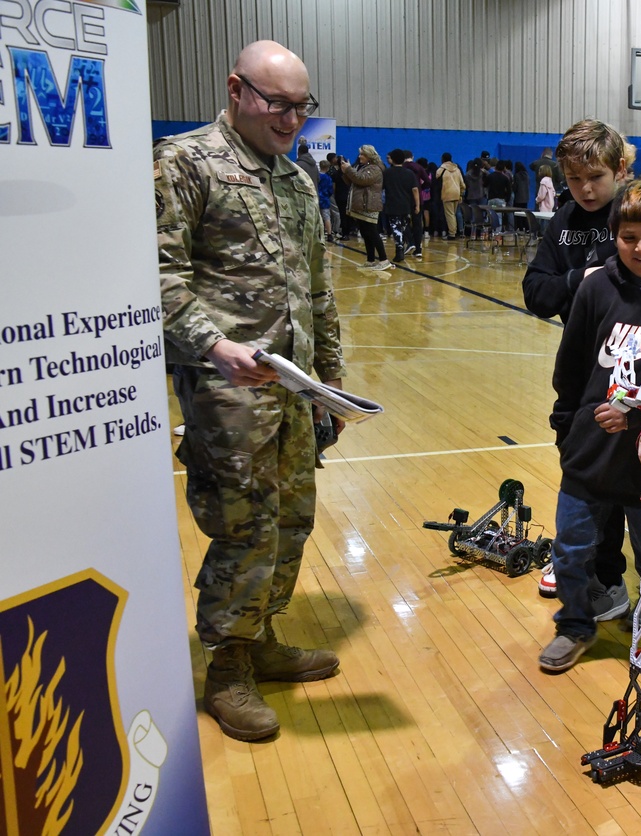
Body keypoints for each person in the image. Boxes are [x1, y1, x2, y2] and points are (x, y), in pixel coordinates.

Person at [155, 39, 343, 742]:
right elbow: (159, 275)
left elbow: (318, 290)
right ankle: (226, 668)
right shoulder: (185, 162)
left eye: (302, 106)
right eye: (277, 103)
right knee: (244, 529)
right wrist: (215, 345)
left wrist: (332, 383)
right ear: (236, 89)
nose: (292, 119)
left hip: (294, 392)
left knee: (292, 520)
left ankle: (261, 638)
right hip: (225, 395)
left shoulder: (295, 181)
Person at [540, 180, 641, 672]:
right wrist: (568, 431)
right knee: (569, 553)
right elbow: (569, 370)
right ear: (615, 236)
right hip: (591, 455)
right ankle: (575, 626)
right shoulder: (595, 288)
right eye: (629, 237)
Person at [522, 117, 631, 611]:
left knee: (631, 478)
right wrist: (582, 280)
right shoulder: (564, 220)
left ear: (621, 169)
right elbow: (536, 293)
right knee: (580, 470)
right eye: (575, 180)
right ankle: (587, 569)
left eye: (596, 178)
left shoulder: (637, 218)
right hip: (579, 367)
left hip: (633, 368)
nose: (586, 190)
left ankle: (615, 577)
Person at [340, 144, 392, 270]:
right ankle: (370, 260)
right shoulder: (366, 167)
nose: (359, 156)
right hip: (363, 205)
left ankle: (384, 260)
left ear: (369, 156)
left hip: (369, 205)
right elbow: (353, 182)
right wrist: (345, 171)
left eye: (362, 154)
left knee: (372, 232)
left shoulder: (375, 168)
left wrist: (348, 170)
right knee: (365, 232)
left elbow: (361, 179)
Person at [384, 149, 420, 264]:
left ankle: (399, 249)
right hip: (406, 205)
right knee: (403, 227)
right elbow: (415, 190)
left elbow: (380, 189)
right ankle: (404, 245)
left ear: (392, 160)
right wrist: (417, 205)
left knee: (395, 228)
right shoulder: (409, 173)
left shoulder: (387, 173)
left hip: (392, 204)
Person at [436, 152, 465, 239]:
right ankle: (455, 231)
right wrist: (461, 194)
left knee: (450, 214)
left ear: (443, 159)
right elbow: (462, 184)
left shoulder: (442, 169)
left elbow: (437, 176)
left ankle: (452, 234)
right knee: (454, 213)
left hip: (447, 193)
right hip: (456, 194)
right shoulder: (457, 169)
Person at [318, 159, 338, 242]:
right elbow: (330, 190)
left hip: (317, 198)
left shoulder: (317, 176)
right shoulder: (328, 178)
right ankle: (329, 234)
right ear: (328, 168)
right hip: (325, 199)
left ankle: (318, 234)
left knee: (317, 217)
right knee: (327, 217)